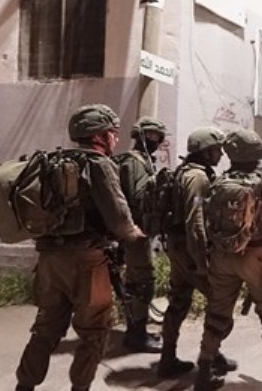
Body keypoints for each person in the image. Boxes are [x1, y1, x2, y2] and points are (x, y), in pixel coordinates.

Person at [15, 104, 145, 391]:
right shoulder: (99, 163)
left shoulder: (55, 161)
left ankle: (24, 386)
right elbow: (118, 216)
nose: (115, 138)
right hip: (87, 261)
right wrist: (134, 235)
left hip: (49, 259)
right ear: (98, 136)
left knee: (45, 329)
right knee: (94, 330)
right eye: (112, 132)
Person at [195, 129, 262, 391]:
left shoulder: (219, 182)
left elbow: (205, 219)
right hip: (257, 257)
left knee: (216, 314)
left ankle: (203, 373)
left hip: (222, 257)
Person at [157, 127, 237, 378]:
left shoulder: (184, 171)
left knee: (178, 302)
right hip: (191, 251)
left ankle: (168, 358)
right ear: (206, 151)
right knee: (221, 305)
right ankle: (209, 358)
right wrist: (202, 262)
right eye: (217, 150)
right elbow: (196, 223)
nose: (221, 154)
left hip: (178, 248)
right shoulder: (198, 178)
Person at [116, 116, 168, 353]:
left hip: (133, 230)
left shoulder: (133, 160)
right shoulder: (136, 162)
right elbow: (139, 198)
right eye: (152, 136)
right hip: (137, 232)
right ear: (140, 136)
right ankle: (136, 335)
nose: (155, 141)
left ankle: (135, 330)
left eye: (158, 137)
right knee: (143, 282)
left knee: (134, 280)